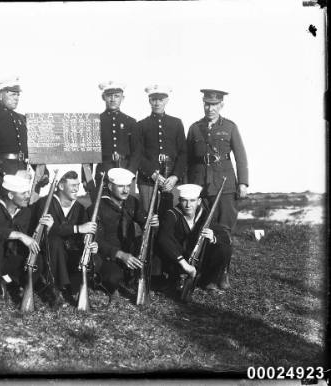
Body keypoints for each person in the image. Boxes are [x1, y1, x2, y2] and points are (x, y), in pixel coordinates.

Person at [186, 89, 248, 288]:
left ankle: (222, 273)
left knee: (225, 231)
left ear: (221, 105)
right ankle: (206, 273)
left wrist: (243, 183)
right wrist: (188, 187)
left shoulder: (230, 127)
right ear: (203, 104)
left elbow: (240, 156)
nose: (210, 108)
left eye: (214, 104)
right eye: (207, 104)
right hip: (200, 187)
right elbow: (188, 160)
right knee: (203, 228)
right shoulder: (195, 128)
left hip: (225, 185)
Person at [0, 173, 54, 312]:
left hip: (10, 260)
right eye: (23, 193)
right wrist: (19, 235)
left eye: (28, 192)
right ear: (10, 195)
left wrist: (46, 229)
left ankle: (12, 283)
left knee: (37, 258)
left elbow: (33, 239)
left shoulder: (26, 212)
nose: (27, 196)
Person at [94, 168, 159, 302]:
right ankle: (110, 285)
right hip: (108, 255)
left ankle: (137, 279)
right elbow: (98, 241)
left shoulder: (132, 201)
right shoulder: (98, 207)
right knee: (114, 277)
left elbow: (144, 222)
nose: (125, 190)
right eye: (121, 186)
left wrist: (153, 222)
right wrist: (121, 255)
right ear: (110, 186)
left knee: (154, 256)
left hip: (129, 251)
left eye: (128, 186)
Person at [33, 171, 98, 303]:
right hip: (49, 255)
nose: (76, 188)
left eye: (78, 185)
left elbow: (85, 233)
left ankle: (72, 285)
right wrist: (77, 229)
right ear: (61, 186)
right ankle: (54, 287)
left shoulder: (80, 207)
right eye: (72, 185)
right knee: (55, 241)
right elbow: (49, 232)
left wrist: (90, 241)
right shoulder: (45, 203)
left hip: (71, 255)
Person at [157, 184, 232, 295]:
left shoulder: (205, 215)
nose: (188, 205)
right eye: (184, 201)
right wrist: (184, 264)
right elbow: (163, 239)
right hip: (178, 261)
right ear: (179, 200)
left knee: (224, 248)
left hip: (199, 261)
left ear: (199, 201)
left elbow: (224, 235)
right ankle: (179, 280)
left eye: (192, 200)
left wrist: (213, 237)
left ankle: (210, 281)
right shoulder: (171, 214)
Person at [0, 76, 48, 196]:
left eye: (18, 95)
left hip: (22, 178)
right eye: (12, 94)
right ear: (0, 96)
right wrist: (11, 173)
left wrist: (42, 171)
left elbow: (29, 150)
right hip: (0, 180)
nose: (16, 98)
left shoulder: (22, 119)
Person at [136, 84, 187, 215]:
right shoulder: (141, 125)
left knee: (173, 217)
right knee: (149, 218)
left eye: (161, 99)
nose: (157, 103)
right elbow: (137, 154)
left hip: (172, 181)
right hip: (147, 180)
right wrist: (152, 174)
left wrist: (175, 177)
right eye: (154, 99)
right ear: (149, 101)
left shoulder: (176, 123)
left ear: (167, 100)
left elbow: (183, 153)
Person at [91, 81, 140, 191]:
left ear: (123, 98)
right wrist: (86, 177)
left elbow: (136, 151)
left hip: (125, 169)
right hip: (104, 170)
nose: (113, 99)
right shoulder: (95, 121)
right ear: (103, 97)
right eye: (109, 96)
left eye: (116, 96)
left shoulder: (130, 122)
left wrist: (130, 172)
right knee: (103, 204)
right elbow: (87, 152)